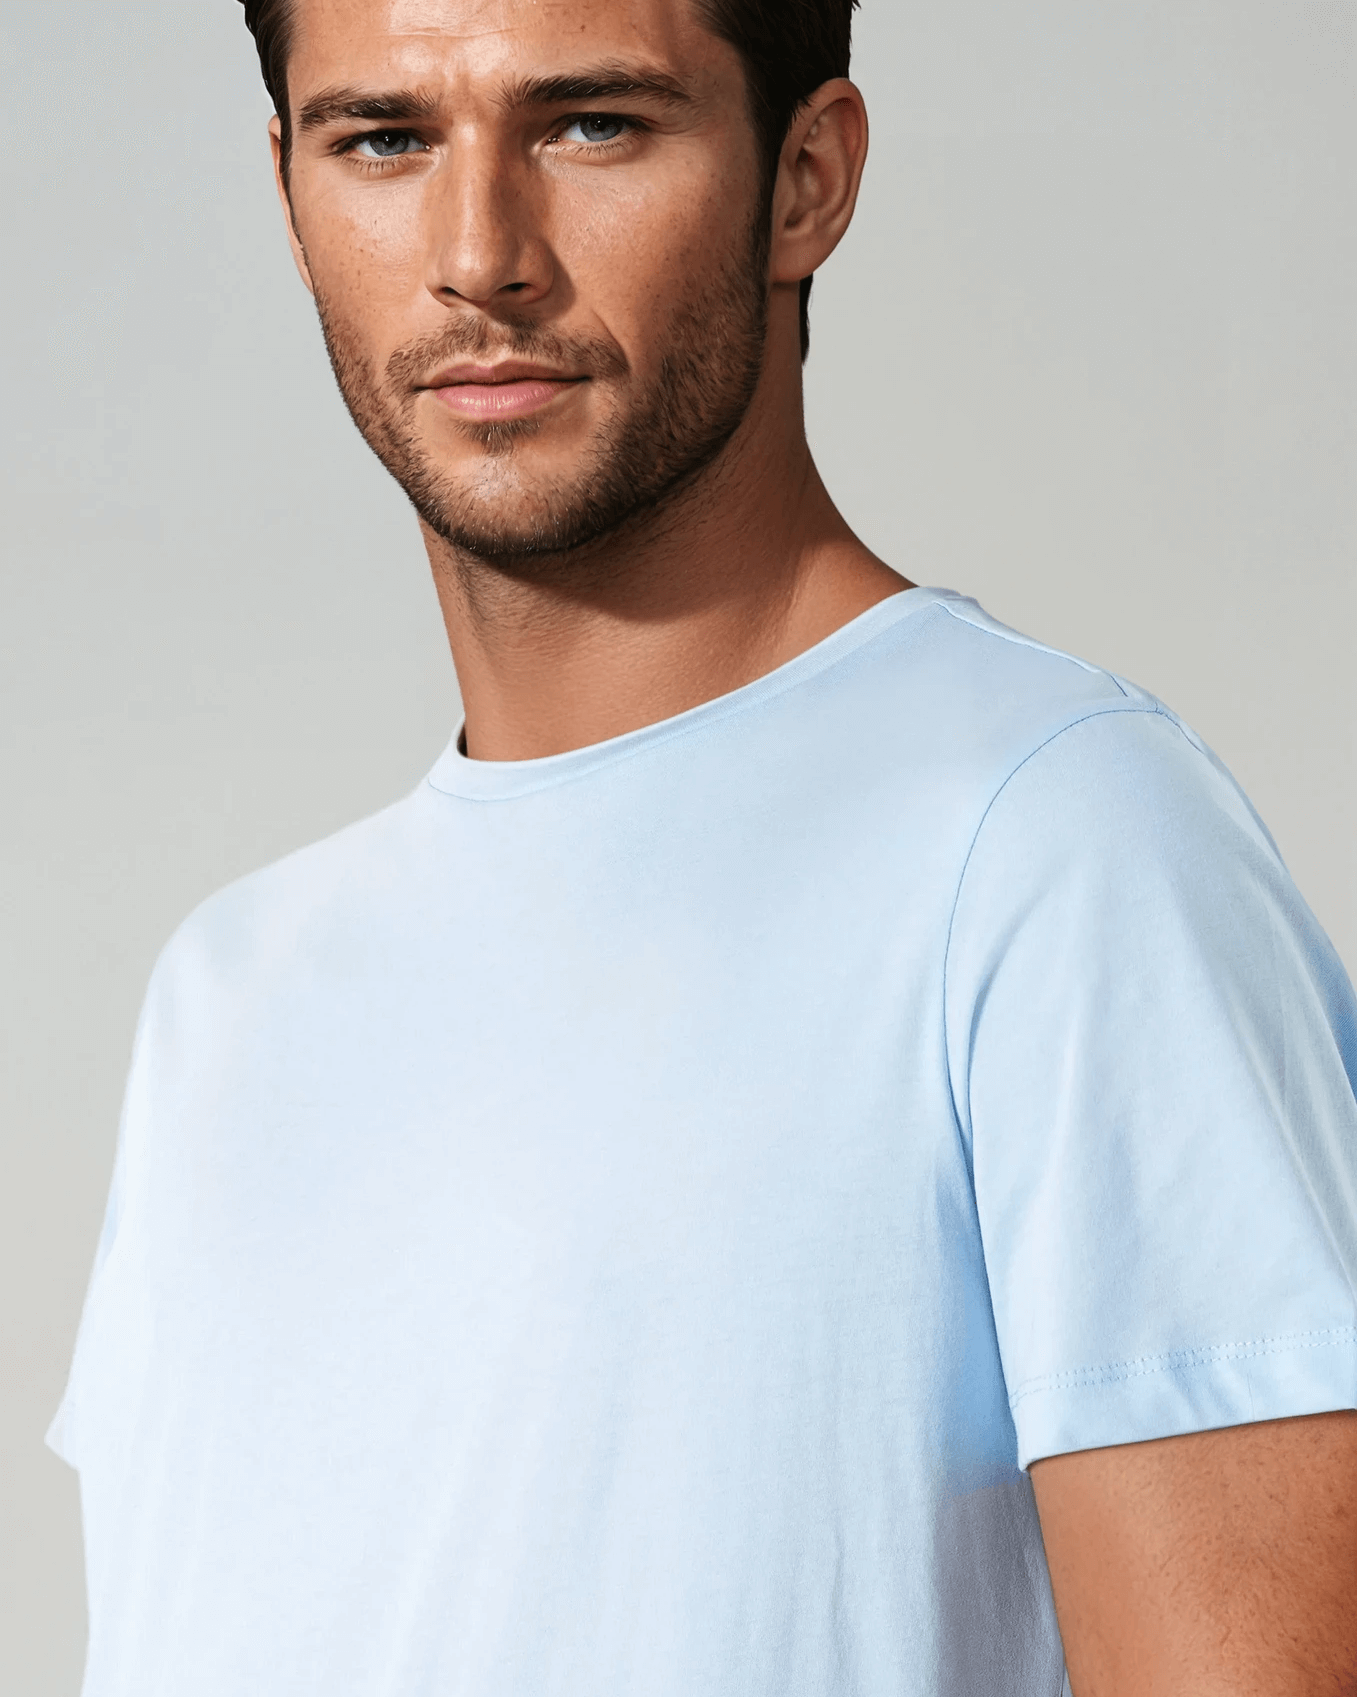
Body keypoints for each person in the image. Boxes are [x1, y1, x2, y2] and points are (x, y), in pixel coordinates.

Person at [50, 0, 1357, 1692]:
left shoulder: (1059, 848)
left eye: (592, 124)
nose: (479, 254)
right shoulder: (231, 994)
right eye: (383, 139)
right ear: (292, 196)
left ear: (806, 179)